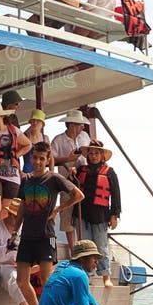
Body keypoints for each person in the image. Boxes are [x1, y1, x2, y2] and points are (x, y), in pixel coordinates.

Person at [15, 141, 83, 305]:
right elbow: (22, 205)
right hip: (27, 236)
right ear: (31, 157)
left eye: (42, 158)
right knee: (21, 280)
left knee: (47, 280)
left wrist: (59, 209)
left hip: (48, 236)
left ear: (47, 160)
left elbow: (78, 195)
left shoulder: (54, 178)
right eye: (35, 157)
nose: (38, 161)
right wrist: (15, 231)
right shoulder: (26, 180)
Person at [35, 239, 124, 305]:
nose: (97, 261)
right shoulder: (79, 275)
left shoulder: (64, 267)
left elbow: (88, 298)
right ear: (82, 258)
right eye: (94, 258)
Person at [73, 138, 121, 289]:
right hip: (83, 214)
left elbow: (116, 194)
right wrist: (71, 173)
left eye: (96, 153)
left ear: (102, 155)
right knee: (85, 247)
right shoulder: (81, 171)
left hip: (100, 215)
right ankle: (87, 275)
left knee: (101, 246)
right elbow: (72, 186)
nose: (93, 156)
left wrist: (115, 215)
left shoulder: (109, 172)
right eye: (91, 153)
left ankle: (105, 275)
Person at [50, 110, 91, 254]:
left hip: (84, 179)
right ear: (71, 125)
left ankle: (84, 247)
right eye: (80, 125)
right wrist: (68, 159)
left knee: (84, 214)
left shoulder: (85, 137)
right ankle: (73, 249)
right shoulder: (58, 140)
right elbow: (51, 159)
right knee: (67, 215)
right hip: (66, 180)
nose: (82, 128)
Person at [22, 108, 54, 175]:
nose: (35, 123)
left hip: (41, 171)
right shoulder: (24, 136)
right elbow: (16, 154)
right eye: (33, 121)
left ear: (42, 124)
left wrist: (52, 173)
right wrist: (19, 171)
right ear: (30, 122)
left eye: (38, 121)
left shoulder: (45, 138)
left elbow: (51, 158)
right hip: (27, 172)